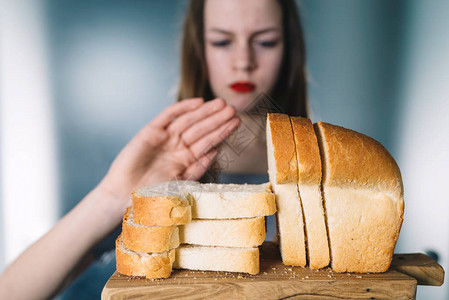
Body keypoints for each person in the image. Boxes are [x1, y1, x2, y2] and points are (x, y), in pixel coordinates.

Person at [0, 0, 308, 299]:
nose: (243, 61)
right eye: (221, 42)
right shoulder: (159, 161)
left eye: (266, 42)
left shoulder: (317, 166)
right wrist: (111, 197)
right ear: (198, 49)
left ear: (289, 50)